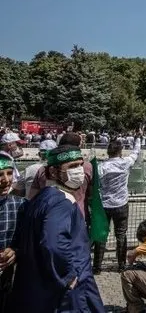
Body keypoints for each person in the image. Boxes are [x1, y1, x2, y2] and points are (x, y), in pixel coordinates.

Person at [8, 145, 104, 312]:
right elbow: (53, 243)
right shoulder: (62, 202)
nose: (79, 171)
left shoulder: (42, 196)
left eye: (80, 164)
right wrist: (68, 275)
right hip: (68, 290)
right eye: (72, 166)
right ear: (53, 172)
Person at [93, 135, 141, 273]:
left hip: (105, 205)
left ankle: (97, 267)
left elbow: (95, 183)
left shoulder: (101, 167)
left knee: (101, 235)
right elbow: (135, 153)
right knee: (121, 235)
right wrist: (138, 139)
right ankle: (121, 265)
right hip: (121, 204)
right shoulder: (125, 162)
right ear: (120, 152)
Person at [29, 132, 93, 219]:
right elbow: (92, 195)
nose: (78, 169)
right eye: (73, 166)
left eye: (79, 165)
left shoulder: (42, 170)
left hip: (49, 217)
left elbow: (32, 197)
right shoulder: (88, 167)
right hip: (79, 216)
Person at [0, 156, 24, 310]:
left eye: (9, 173)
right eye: (0, 175)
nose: (6, 180)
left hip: (7, 281)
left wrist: (15, 251)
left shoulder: (21, 206)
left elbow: (27, 239)